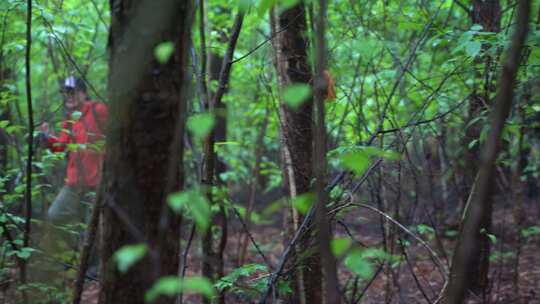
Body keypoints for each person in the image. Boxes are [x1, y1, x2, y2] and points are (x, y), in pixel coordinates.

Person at [40, 76, 107, 232]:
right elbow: (60, 147)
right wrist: (46, 138)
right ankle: (79, 227)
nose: (68, 96)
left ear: (83, 93)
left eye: (72, 92)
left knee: (94, 231)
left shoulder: (98, 110)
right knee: (54, 215)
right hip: (74, 184)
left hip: (97, 184)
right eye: (65, 92)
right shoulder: (69, 120)